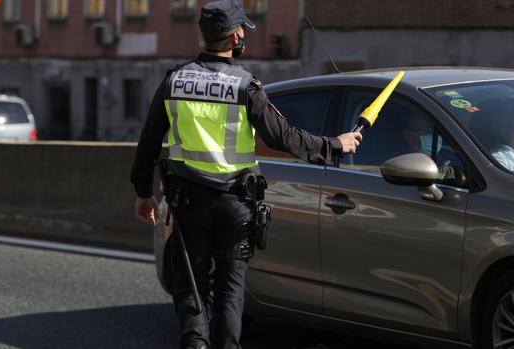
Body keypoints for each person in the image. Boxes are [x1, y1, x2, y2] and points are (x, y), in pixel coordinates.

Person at [129, 1, 362, 348]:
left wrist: (143, 192)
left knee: (192, 286)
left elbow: (148, 141)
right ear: (236, 36)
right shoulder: (245, 86)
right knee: (230, 290)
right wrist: (335, 145)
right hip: (236, 203)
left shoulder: (174, 80)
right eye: (242, 32)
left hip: (189, 202)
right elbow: (283, 138)